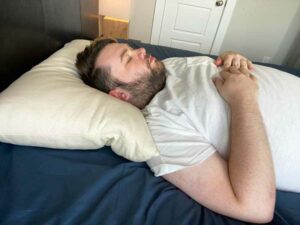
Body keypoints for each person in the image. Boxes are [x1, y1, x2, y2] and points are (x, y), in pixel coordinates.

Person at [76, 38, 300, 223]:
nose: (142, 50)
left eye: (132, 49)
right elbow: (255, 207)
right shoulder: (160, 132)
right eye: (128, 58)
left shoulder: (169, 65)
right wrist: (244, 99)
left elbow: (216, 68)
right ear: (120, 95)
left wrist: (232, 58)